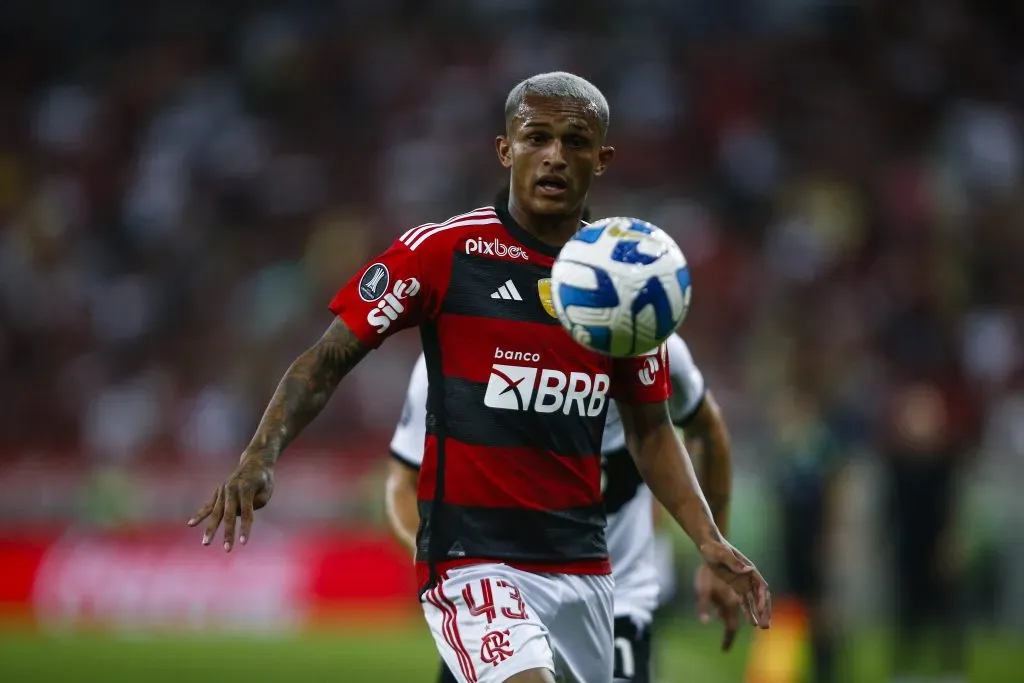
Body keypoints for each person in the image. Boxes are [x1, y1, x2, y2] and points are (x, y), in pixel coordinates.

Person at [188, 71, 770, 683]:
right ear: (505, 149)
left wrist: (708, 538)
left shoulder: (623, 283)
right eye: (536, 137)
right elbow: (326, 359)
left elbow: (652, 431)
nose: (553, 155)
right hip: (474, 562)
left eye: (574, 142)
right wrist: (261, 452)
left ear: (602, 159)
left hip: (584, 569)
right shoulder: (443, 253)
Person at [387, 334, 742, 683]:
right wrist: (444, 565)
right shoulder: (459, 347)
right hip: (501, 591)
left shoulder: (652, 347)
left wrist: (715, 549)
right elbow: (402, 481)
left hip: (616, 602)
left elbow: (707, 429)